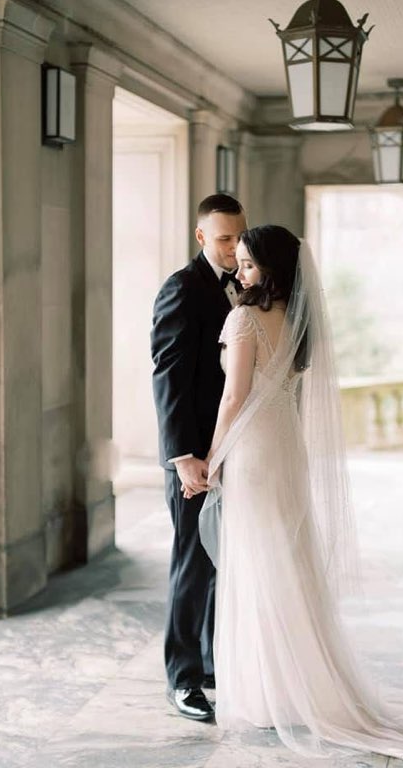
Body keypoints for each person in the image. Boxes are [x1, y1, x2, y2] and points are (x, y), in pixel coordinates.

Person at [194, 225, 403, 760]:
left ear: (273, 268)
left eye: (249, 264)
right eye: (238, 262)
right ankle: (296, 685)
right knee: (287, 560)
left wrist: (213, 457)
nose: (240, 272)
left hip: (255, 450)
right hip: (285, 444)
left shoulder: (243, 318)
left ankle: (269, 693)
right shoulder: (299, 321)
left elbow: (234, 395)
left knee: (260, 563)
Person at [150, 193, 247, 723]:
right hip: (195, 456)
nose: (233, 247)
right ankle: (182, 677)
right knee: (192, 561)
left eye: (239, 236)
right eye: (224, 237)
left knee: (220, 557)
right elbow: (169, 376)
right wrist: (183, 457)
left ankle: (210, 662)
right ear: (202, 236)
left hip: (235, 446)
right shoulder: (182, 287)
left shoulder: (246, 287)